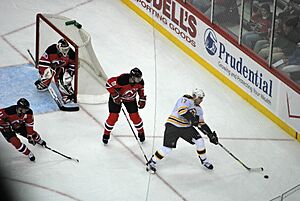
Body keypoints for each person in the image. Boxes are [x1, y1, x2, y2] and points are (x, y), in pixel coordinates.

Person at [146, 89, 218, 173]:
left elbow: (201, 123)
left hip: (186, 128)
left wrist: (210, 134)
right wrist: (192, 119)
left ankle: (204, 160)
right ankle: (152, 161)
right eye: (200, 98)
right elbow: (182, 111)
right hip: (173, 125)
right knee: (167, 148)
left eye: (202, 98)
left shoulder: (199, 109)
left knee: (200, 141)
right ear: (194, 96)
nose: (201, 100)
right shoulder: (185, 100)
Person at [102, 68, 147, 144]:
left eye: (140, 78)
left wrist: (142, 99)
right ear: (132, 77)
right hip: (116, 99)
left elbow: (140, 90)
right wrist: (115, 95)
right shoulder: (122, 80)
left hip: (130, 100)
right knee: (113, 117)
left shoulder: (140, 82)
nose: (139, 79)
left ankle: (141, 133)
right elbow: (108, 84)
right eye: (137, 78)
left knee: (135, 117)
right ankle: (106, 134)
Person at [35, 38, 76, 103]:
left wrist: (70, 71)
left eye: (67, 49)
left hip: (63, 68)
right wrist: (44, 75)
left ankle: (67, 93)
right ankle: (44, 83)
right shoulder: (51, 49)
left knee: (64, 78)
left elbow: (74, 64)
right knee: (48, 72)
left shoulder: (71, 53)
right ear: (59, 47)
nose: (66, 51)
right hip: (52, 66)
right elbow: (43, 62)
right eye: (64, 49)